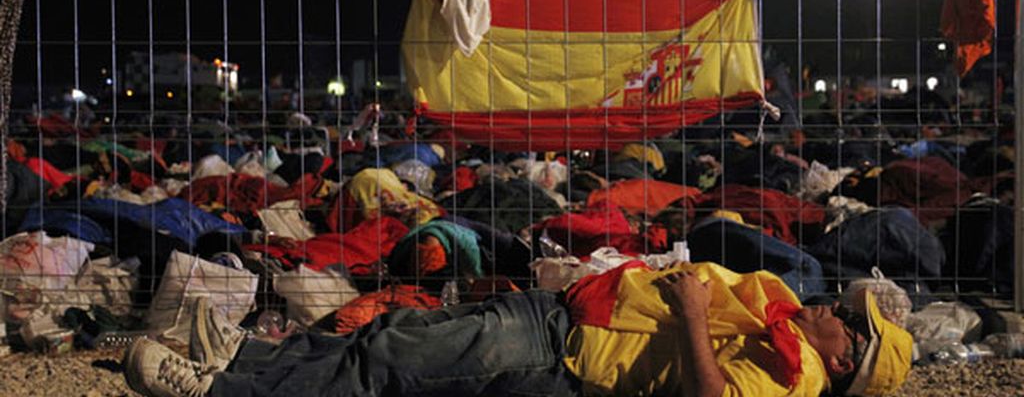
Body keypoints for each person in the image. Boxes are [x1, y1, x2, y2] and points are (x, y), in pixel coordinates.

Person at [123, 261, 912, 397]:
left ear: (846, 367)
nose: (837, 311)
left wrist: (697, 315)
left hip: (559, 360)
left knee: (387, 363)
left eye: (850, 324)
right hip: (560, 318)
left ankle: (220, 390)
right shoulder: (779, 313)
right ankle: (249, 356)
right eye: (848, 308)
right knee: (389, 333)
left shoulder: (795, 374)